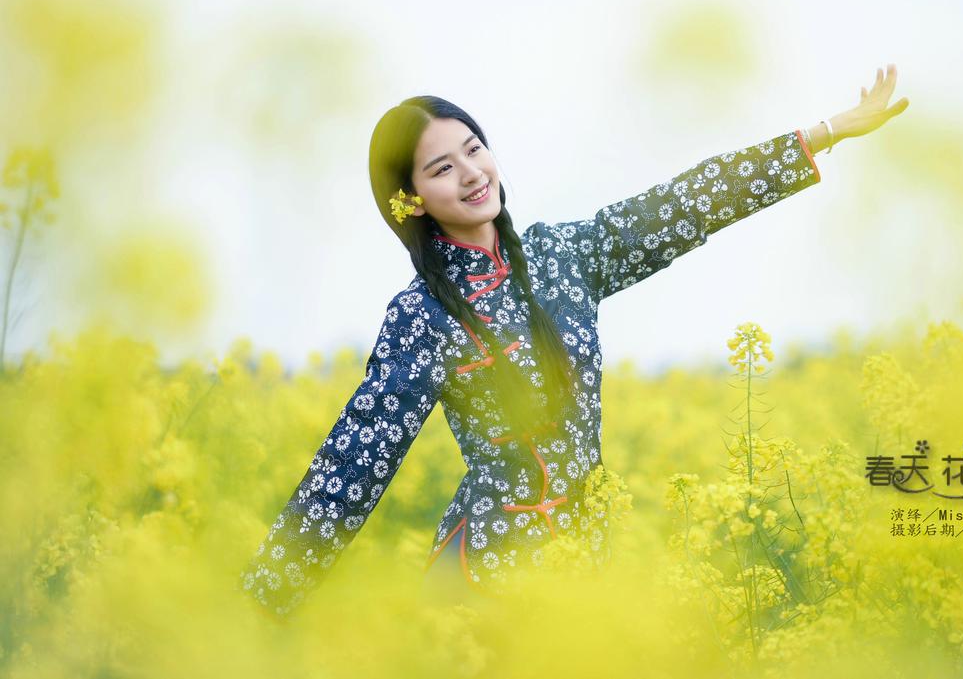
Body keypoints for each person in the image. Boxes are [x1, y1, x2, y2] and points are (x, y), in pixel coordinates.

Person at [239, 65, 908, 619]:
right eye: (441, 168)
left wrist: (828, 132)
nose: (471, 173)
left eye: (474, 149)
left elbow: (686, 203)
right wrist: (250, 613)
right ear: (409, 199)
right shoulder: (423, 317)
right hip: (483, 588)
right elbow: (352, 465)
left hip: (587, 575)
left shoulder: (563, 256)